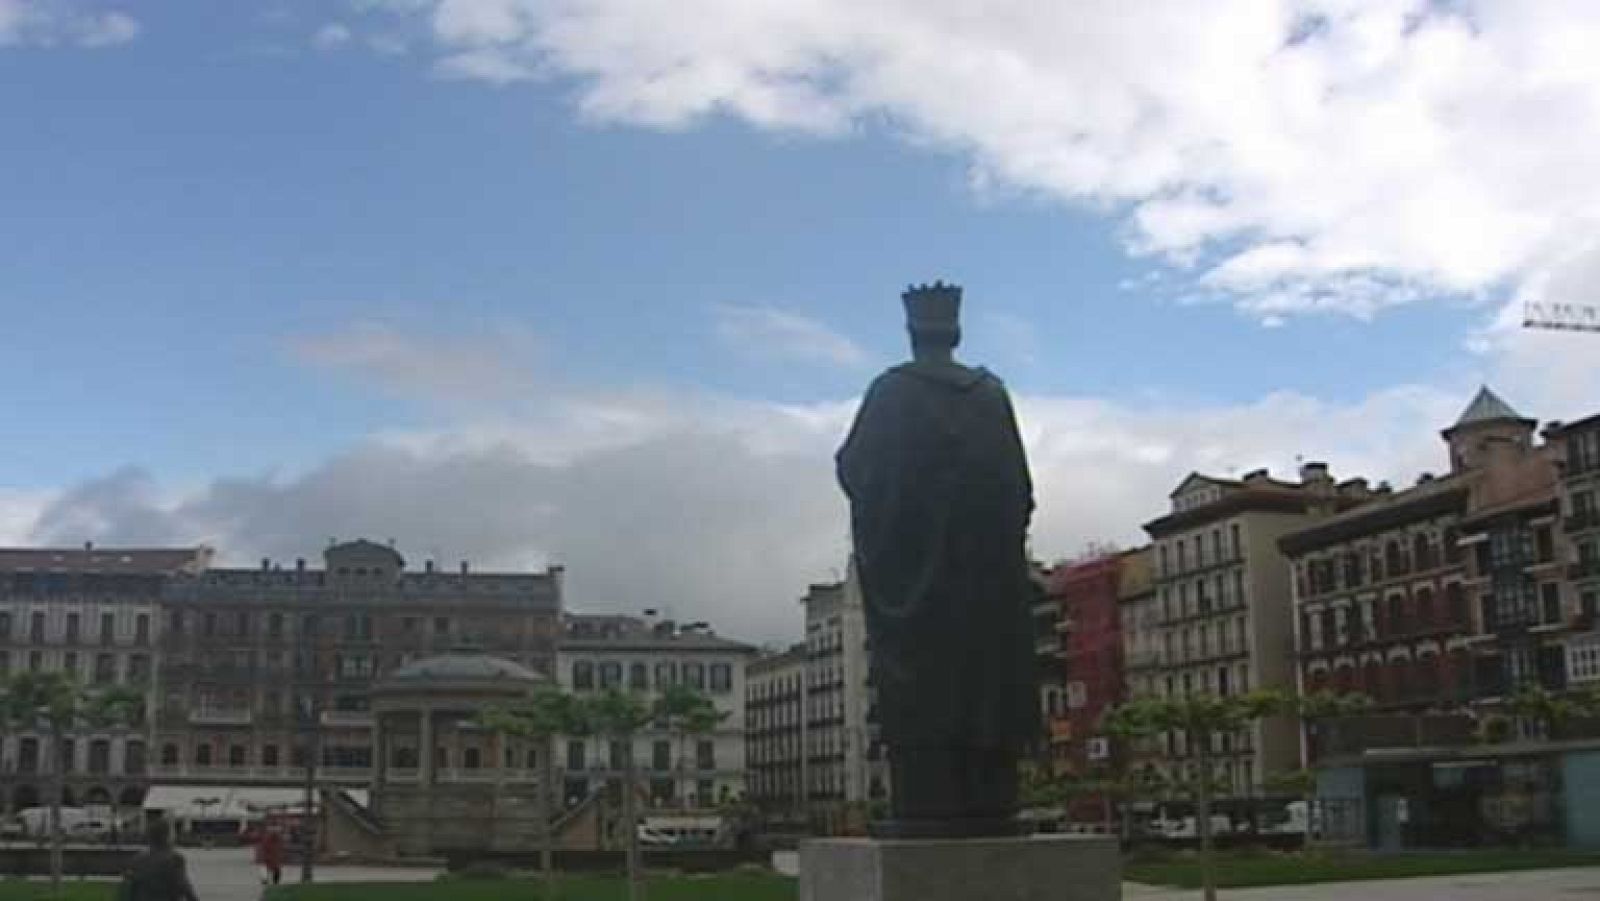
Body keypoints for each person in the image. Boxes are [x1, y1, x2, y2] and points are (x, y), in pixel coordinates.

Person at [837, 281, 1039, 836]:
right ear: (956, 332)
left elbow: (856, 470)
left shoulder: (891, 394)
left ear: (912, 333)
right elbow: (1018, 488)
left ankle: (928, 806)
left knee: (926, 689)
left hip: (917, 585)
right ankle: (991, 803)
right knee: (985, 688)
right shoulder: (992, 396)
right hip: (986, 584)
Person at [121, 820, 200, 901]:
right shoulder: (174, 859)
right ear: (166, 837)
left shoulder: (138, 859)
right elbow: (184, 886)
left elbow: (129, 886)